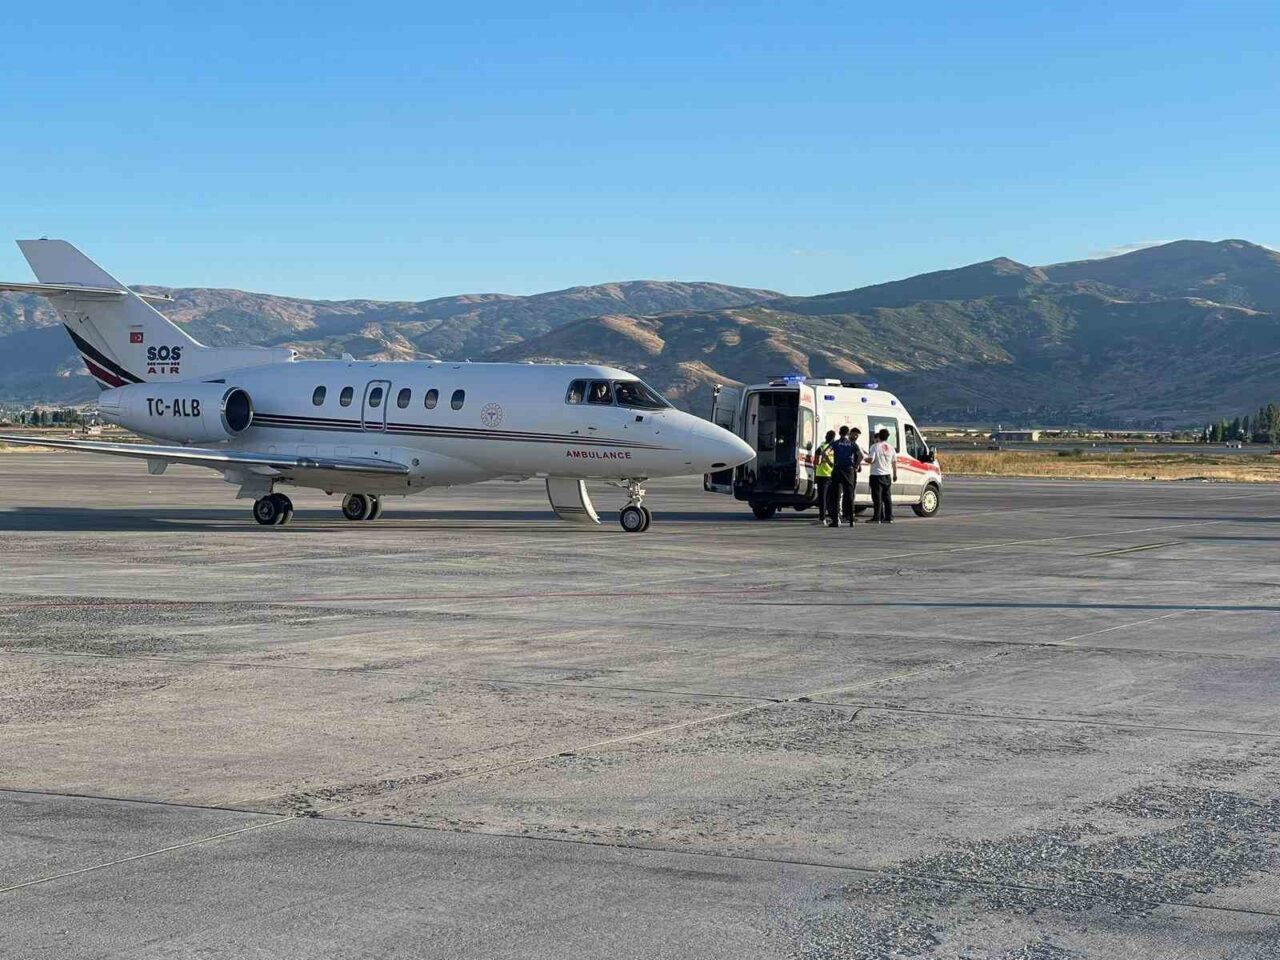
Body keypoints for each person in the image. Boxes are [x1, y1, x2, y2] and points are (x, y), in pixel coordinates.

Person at [827, 425, 863, 527]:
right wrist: (856, 465)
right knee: (849, 495)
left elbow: (825, 453)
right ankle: (851, 519)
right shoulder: (852, 444)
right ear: (847, 434)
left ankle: (835, 520)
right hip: (849, 470)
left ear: (839, 433)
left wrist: (830, 463)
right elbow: (861, 455)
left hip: (837, 469)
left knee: (836, 496)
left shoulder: (835, 443)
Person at [865, 427, 898, 523]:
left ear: (879, 436)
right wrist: (895, 474)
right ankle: (889, 517)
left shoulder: (875, 446)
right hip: (887, 475)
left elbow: (871, 459)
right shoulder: (891, 448)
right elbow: (894, 462)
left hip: (876, 474)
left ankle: (877, 517)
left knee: (877, 497)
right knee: (887, 497)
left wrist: (864, 458)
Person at [813, 430, 836, 524]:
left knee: (822, 498)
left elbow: (816, 462)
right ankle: (833, 516)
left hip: (821, 475)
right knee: (831, 498)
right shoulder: (834, 447)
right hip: (832, 474)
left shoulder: (821, 448)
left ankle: (822, 518)